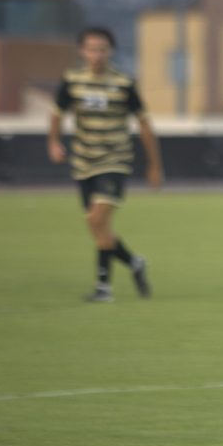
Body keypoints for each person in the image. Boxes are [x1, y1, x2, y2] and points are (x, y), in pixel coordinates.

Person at [48, 26, 163, 302]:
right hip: (83, 160)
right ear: (82, 51)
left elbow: (144, 123)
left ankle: (104, 289)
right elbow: (56, 113)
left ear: (110, 51)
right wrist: (53, 142)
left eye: (102, 49)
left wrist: (154, 164)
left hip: (115, 159)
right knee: (97, 226)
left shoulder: (123, 83)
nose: (96, 55)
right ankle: (134, 262)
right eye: (91, 49)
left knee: (97, 218)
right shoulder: (72, 80)